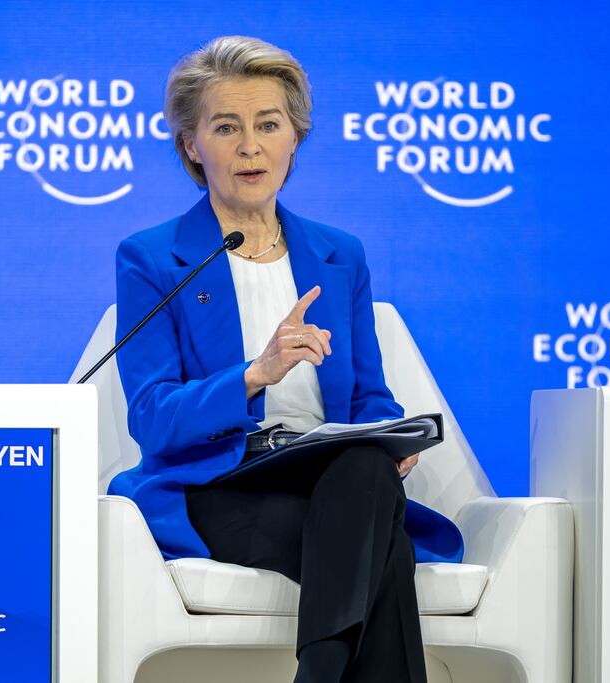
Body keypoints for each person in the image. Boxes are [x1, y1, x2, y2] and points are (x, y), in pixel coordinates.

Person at [106, 36, 464, 682]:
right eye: (226, 126)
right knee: (385, 546)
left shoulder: (339, 255)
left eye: (268, 124)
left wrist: (394, 437)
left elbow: (367, 400)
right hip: (219, 487)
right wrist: (255, 373)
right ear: (191, 144)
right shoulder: (153, 259)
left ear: (293, 137)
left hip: (330, 482)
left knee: (367, 470)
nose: (250, 146)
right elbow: (153, 417)